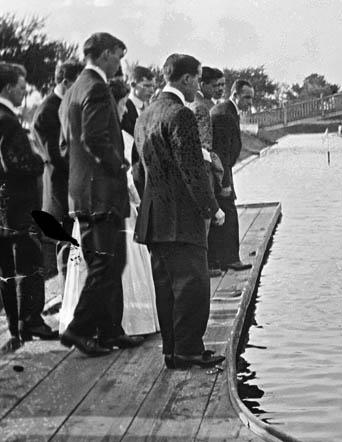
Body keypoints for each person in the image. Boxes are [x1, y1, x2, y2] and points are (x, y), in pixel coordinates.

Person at [134, 53, 225, 369]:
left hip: (154, 217)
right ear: (186, 79)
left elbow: (138, 170)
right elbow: (191, 171)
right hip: (182, 218)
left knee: (166, 288)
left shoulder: (145, 116)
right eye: (198, 79)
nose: (198, 86)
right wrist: (212, 209)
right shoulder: (180, 115)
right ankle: (189, 351)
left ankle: (173, 350)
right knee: (193, 287)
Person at [58, 32, 141, 356]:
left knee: (107, 263)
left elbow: (68, 146)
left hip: (83, 194)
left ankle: (109, 331)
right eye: (118, 57)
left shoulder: (72, 92)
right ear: (106, 54)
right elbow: (94, 138)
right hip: (101, 194)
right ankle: (78, 329)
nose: (119, 64)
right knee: (107, 265)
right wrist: (118, 165)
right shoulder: (95, 88)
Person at [60, 79, 159, 337]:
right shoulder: (116, 138)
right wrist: (138, 202)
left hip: (89, 207)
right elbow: (125, 179)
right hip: (112, 208)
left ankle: (105, 327)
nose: (126, 111)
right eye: (124, 104)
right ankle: (121, 323)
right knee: (114, 267)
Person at [0, 62, 57, 344]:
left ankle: (16, 323)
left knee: (8, 271)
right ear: (9, 87)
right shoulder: (8, 121)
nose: (24, 92)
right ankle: (31, 320)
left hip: (5, 208)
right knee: (29, 263)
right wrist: (38, 160)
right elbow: (20, 163)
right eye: (22, 87)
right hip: (20, 206)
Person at [32, 60, 84, 284]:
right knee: (66, 248)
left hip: (74, 189)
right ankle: (67, 302)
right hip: (60, 192)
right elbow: (57, 156)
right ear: (65, 82)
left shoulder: (70, 105)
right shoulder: (47, 112)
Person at [210, 79, 253, 271]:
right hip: (221, 174)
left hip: (223, 171)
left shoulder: (228, 111)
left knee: (224, 214)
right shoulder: (224, 114)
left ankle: (222, 258)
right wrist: (225, 182)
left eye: (251, 98)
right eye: (246, 97)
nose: (249, 102)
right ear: (235, 94)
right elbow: (221, 151)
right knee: (229, 213)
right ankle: (230, 259)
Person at [189, 66, 225, 277]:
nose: (217, 89)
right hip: (205, 167)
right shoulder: (201, 107)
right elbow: (203, 146)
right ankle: (204, 266)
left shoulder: (196, 104)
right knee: (206, 218)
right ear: (203, 84)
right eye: (215, 85)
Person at [120, 65, 155, 197]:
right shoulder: (124, 109)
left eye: (153, 86)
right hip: (131, 172)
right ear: (133, 85)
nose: (151, 90)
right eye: (146, 86)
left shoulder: (150, 108)